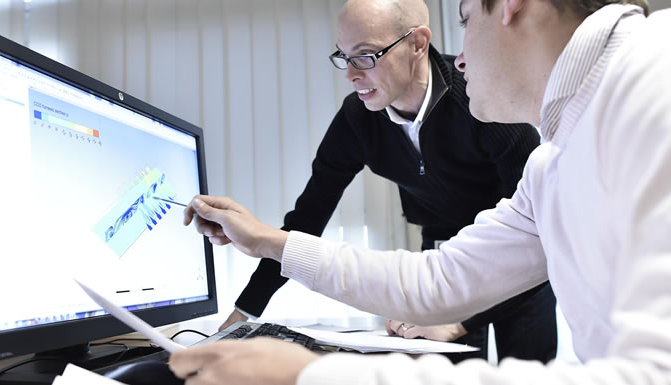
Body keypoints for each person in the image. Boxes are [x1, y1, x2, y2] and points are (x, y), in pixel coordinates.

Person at [169, 0, 671, 382]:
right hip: (449, 240)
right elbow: (438, 280)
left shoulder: (669, 67)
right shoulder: (555, 160)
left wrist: (310, 374)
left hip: (524, 292)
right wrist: (269, 242)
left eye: (466, 19)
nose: (460, 55)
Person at [223, 0, 556, 363]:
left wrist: (460, 321)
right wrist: (243, 314)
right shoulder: (358, 119)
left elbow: (536, 235)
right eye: (344, 56)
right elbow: (306, 220)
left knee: (527, 371)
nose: (351, 74)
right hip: (441, 258)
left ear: (417, 44)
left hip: (518, 259)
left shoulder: (483, 98)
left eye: (365, 55)